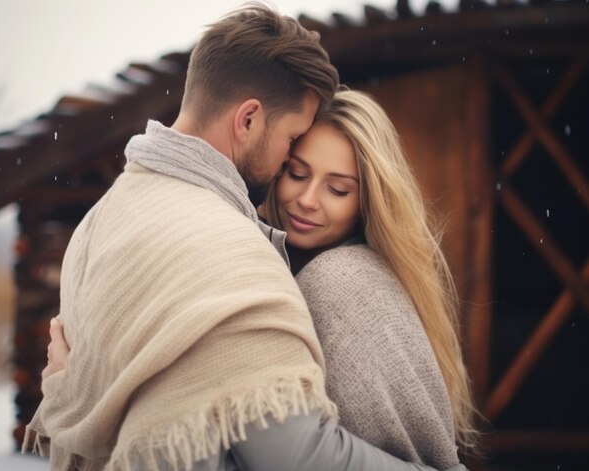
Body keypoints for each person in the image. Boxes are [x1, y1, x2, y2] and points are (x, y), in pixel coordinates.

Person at [24, 4, 469, 471]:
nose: (295, 182)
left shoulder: (99, 222)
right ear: (249, 120)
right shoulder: (227, 249)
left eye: (338, 188)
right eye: (293, 148)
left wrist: (68, 386)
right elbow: (294, 455)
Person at [260, 89, 480, 467]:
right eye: (297, 173)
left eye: (338, 189)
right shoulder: (270, 263)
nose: (308, 199)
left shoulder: (343, 281)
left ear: (367, 202)